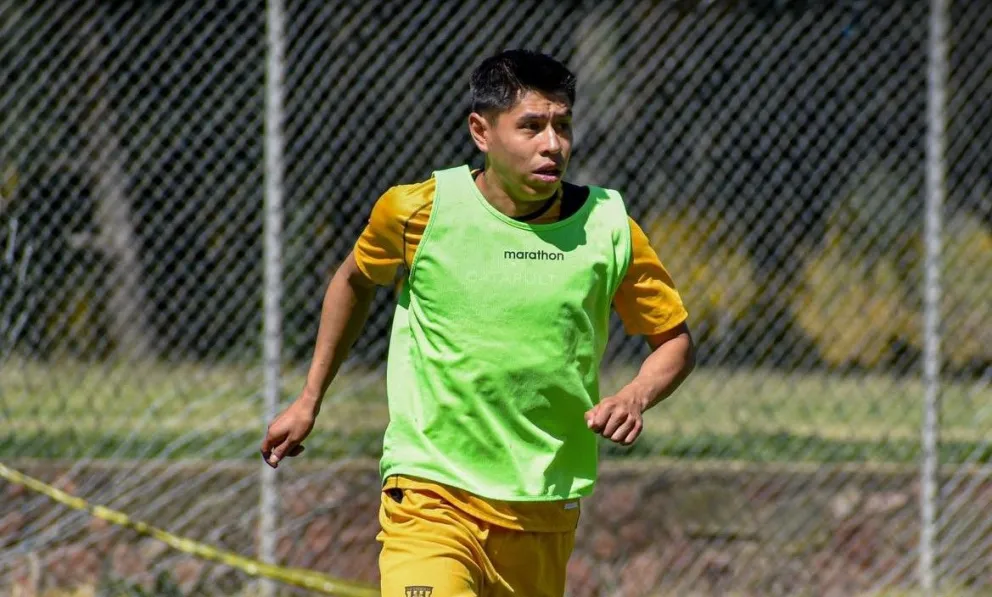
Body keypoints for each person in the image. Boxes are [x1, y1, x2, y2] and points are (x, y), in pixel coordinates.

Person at [260, 49, 696, 597]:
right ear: (481, 131)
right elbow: (353, 281)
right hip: (429, 494)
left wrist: (634, 396)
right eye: (531, 126)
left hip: (541, 505)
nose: (552, 145)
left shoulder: (608, 227)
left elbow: (674, 341)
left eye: (562, 125)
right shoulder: (418, 212)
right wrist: (309, 398)